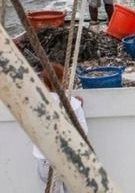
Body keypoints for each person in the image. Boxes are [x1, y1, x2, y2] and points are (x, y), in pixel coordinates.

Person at [32, 63, 87, 193]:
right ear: (64, 80)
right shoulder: (73, 104)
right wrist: (78, 106)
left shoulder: (37, 103)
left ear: (44, 82)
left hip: (45, 158)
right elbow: (83, 132)